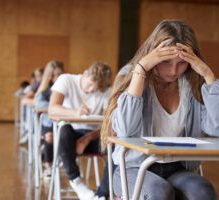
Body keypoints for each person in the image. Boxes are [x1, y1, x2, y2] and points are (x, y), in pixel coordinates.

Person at [100, 19, 219, 200]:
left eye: (181, 63)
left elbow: (216, 128)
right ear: (153, 56)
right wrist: (141, 69)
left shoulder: (192, 84)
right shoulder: (133, 76)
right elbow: (125, 130)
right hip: (134, 168)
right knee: (159, 192)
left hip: (178, 168)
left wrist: (208, 75)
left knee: (203, 191)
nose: (173, 71)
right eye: (165, 62)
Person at [49, 61, 112, 200]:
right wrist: (75, 112)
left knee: (115, 146)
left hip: (93, 135)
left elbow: (110, 123)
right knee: (64, 129)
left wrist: (88, 137)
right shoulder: (66, 80)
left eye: (95, 89)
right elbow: (52, 109)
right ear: (84, 73)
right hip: (69, 135)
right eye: (89, 85)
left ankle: (102, 193)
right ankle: (77, 182)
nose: (91, 91)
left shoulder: (106, 90)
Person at [34, 60, 64, 179]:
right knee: (50, 136)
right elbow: (40, 105)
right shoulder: (45, 91)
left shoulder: (66, 87)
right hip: (49, 123)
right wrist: (57, 107)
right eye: (53, 75)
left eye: (59, 74)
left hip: (64, 122)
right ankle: (48, 165)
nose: (56, 77)